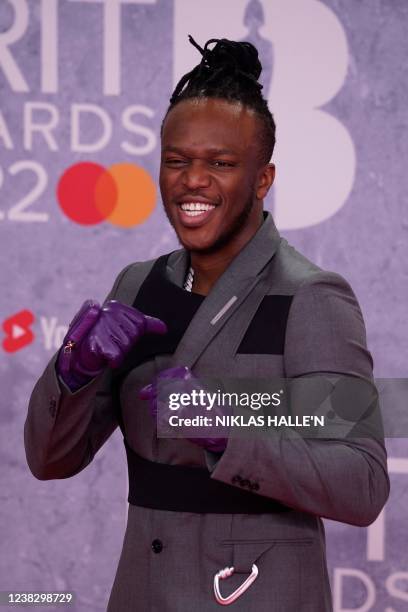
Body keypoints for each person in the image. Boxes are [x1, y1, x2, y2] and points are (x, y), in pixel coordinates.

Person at [24, 36, 390, 611]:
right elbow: (49, 461)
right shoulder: (136, 286)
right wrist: (72, 372)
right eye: (177, 161)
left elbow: (362, 485)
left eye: (220, 163)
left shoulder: (311, 297)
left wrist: (227, 428)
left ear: (263, 179)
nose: (193, 180)